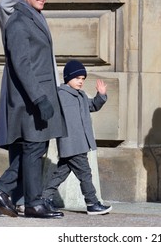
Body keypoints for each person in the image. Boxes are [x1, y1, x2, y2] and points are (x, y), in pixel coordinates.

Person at [0, 0, 66, 218]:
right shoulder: (18, 21)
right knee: (33, 147)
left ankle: (33, 202)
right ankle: (2, 189)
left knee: (35, 147)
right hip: (29, 98)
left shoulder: (35, 17)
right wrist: (39, 98)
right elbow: (21, 64)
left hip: (38, 95)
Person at [42, 60, 112, 215]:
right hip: (71, 143)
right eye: (77, 78)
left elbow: (93, 105)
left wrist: (101, 95)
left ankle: (44, 198)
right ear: (68, 78)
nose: (80, 81)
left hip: (79, 143)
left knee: (60, 173)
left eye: (82, 78)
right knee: (85, 173)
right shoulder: (60, 94)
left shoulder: (81, 96)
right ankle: (92, 203)